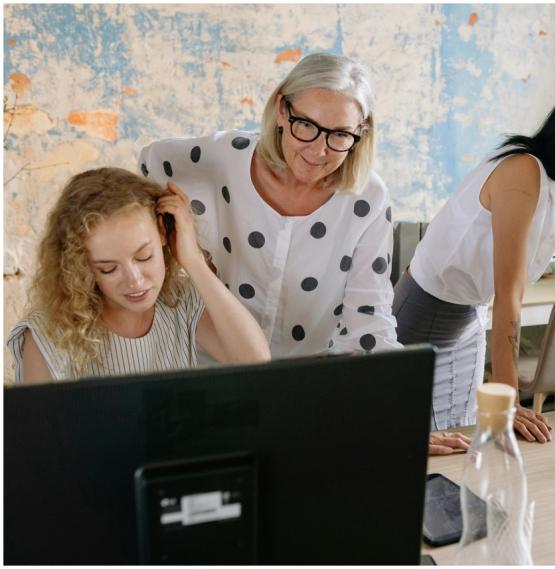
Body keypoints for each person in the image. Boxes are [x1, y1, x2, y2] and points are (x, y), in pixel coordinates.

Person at [138, 52, 469, 456]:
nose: (320, 150)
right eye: (306, 126)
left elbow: (369, 321)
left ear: (361, 133)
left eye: (341, 135)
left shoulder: (367, 197)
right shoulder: (222, 158)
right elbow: (150, 162)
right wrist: (182, 250)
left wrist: (402, 416)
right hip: (214, 376)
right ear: (281, 109)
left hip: (309, 391)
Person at [393, 80, 555, 441]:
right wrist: (510, 400)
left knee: (464, 440)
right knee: (410, 444)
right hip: (423, 315)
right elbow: (509, 294)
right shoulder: (524, 171)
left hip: (469, 317)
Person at [7, 167, 271, 383]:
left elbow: (256, 362)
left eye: (144, 257)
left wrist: (193, 261)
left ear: (163, 233)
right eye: (108, 268)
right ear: (81, 266)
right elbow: (39, 442)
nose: (135, 281)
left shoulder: (180, 301)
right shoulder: (46, 334)